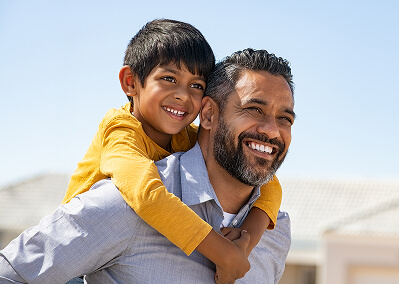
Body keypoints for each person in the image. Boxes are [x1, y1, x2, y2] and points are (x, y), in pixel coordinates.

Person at [0, 48, 294, 283]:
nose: (272, 130)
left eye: (285, 118)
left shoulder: (276, 231)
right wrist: (226, 254)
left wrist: (249, 238)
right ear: (207, 115)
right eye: (254, 109)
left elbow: (269, 185)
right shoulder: (125, 198)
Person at [55, 19, 283, 281]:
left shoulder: (184, 136)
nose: (183, 96)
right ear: (131, 82)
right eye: (168, 79)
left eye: (196, 85)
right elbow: (147, 195)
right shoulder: (120, 133)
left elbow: (270, 185)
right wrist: (223, 253)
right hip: (73, 260)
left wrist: (245, 242)